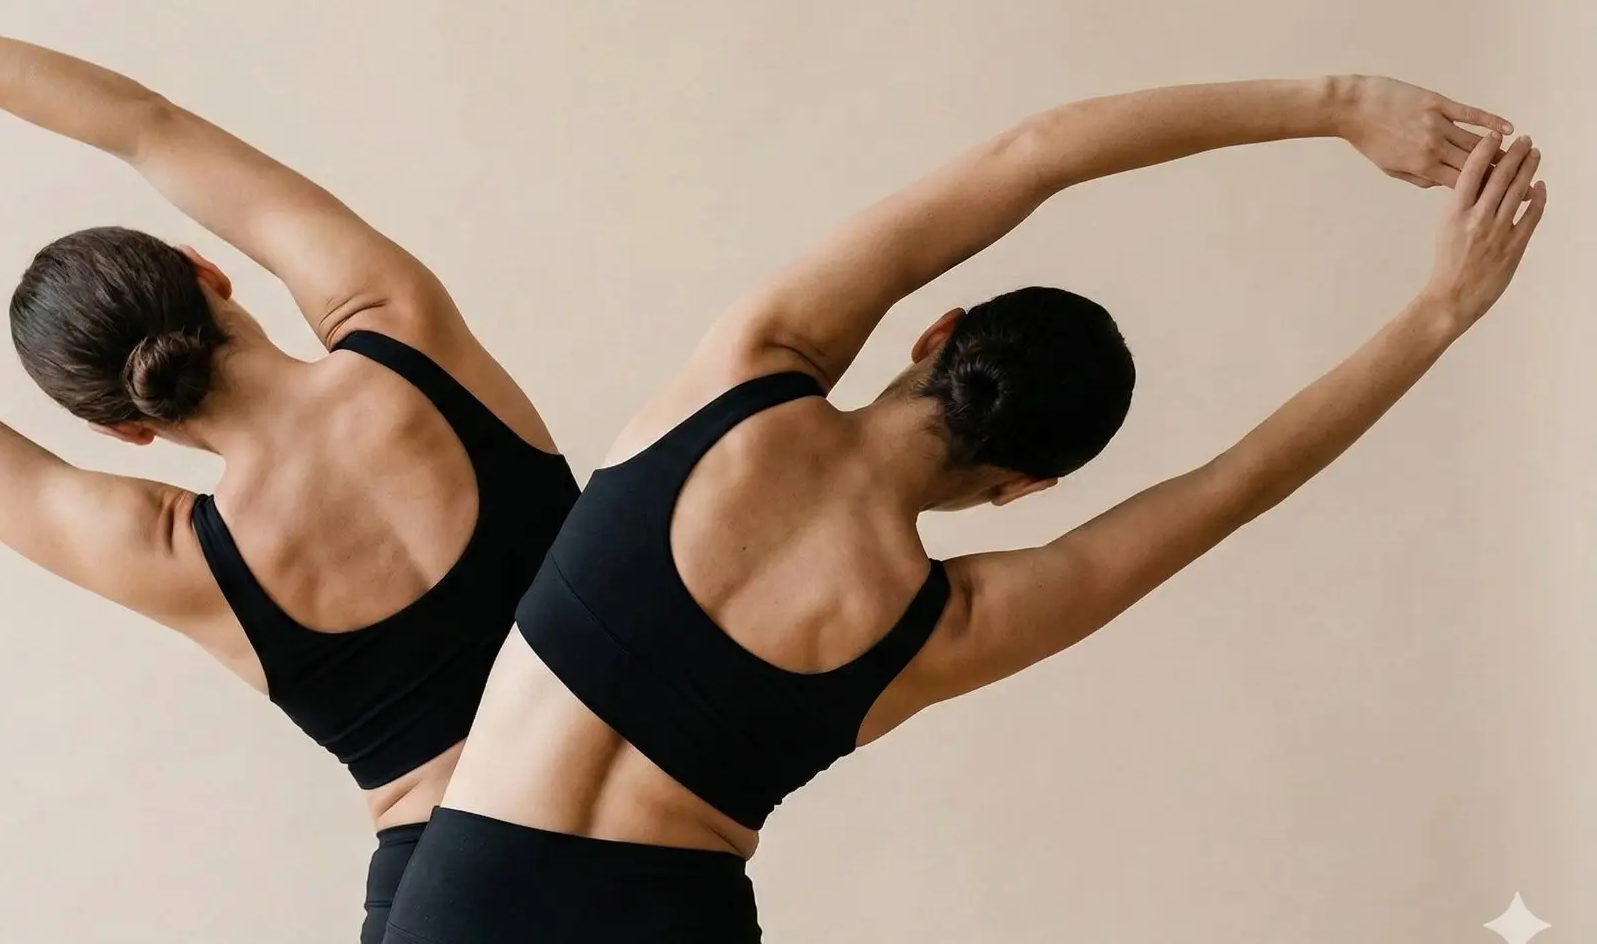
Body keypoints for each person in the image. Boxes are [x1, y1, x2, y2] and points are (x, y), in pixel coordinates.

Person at [381, 76, 1547, 942]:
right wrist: (1436, 312)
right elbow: (1232, 485)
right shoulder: (945, 624)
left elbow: (1033, 154)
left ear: (932, 335)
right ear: (1020, 488)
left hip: (462, 890)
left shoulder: (746, 370)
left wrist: (1335, 103)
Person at [0, 2, 581, 944]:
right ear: (205, 270)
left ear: (122, 429)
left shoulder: (173, 555)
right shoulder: (405, 327)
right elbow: (147, 125)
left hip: (446, 894)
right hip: (647, 803)